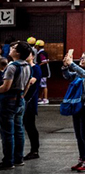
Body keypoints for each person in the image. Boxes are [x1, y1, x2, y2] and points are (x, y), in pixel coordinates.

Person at [61, 48, 85, 172]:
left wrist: (72, 64)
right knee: (78, 135)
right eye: (81, 58)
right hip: (77, 105)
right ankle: (82, 159)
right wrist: (65, 66)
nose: (82, 60)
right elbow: (68, 76)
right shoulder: (79, 72)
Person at [0, 42, 32, 170]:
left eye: (13, 48)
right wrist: (22, 95)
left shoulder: (12, 66)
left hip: (9, 101)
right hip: (20, 100)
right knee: (19, 130)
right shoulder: (27, 66)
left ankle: (8, 161)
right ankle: (19, 158)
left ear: (17, 53)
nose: (10, 49)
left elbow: (5, 87)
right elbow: (27, 85)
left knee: (7, 132)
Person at [22, 51, 41, 161]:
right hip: (24, 100)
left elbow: (31, 84)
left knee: (30, 126)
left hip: (30, 101)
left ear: (33, 56)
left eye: (29, 54)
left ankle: (35, 150)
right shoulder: (24, 67)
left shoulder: (36, 68)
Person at [33, 40, 49, 105]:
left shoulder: (41, 53)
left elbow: (44, 61)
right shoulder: (43, 52)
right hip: (44, 71)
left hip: (43, 71)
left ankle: (45, 98)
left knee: (44, 85)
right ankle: (40, 97)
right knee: (42, 85)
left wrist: (38, 65)